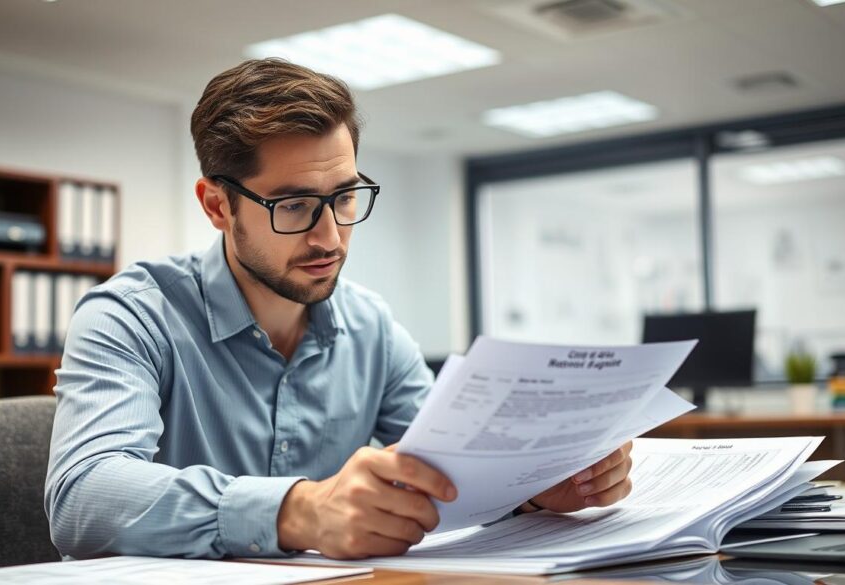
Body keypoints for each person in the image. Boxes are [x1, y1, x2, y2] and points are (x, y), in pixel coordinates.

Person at [44, 58, 634, 561]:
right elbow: (84, 495)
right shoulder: (130, 316)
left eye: (345, 197)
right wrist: (301, 511)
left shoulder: (370, 326)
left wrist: (540, 484)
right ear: (218, 205)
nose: (330, 238)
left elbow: (456, 462)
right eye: (296, 205)